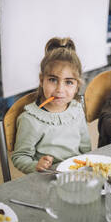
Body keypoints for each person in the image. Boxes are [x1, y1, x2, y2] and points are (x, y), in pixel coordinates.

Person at [12, 37, 91, 173]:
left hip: (77, 176)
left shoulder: (77, 110)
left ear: (77, 85)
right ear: (42, 80)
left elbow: (86, 148)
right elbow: (20, 157)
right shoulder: (30, 119)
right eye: (53, 80)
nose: (60, 89)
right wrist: (36, 166)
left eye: (69, 82)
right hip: (47, 179)